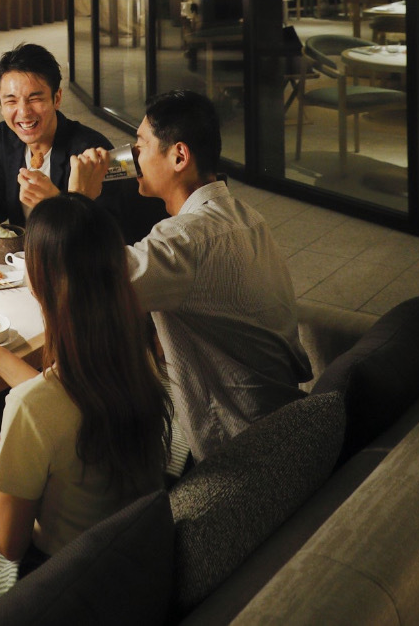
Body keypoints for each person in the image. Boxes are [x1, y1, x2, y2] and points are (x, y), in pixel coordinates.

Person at [0, 193, 172, 616]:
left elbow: (8, 542)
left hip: (58, 588)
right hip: (123, 569)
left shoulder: (33, 408)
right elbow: (63, 404)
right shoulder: (137, 359)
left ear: (40, 283)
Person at [70, 90, 312, 463]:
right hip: (282, 423)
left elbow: (85, 282)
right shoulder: (246, 215)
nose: (134, 156)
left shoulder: (186, 239)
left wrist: (78, 199)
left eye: (141, 146)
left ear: (179, 157)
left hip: (242, 451)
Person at [0, 42, 166, 244]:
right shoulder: (3, 137)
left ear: (57, 98)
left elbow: (108, 235)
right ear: (0, 105)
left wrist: (57, 204)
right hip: (26, 260)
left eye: (35, 98)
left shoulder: (90, 149)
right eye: (11, 101)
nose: (24, 112)